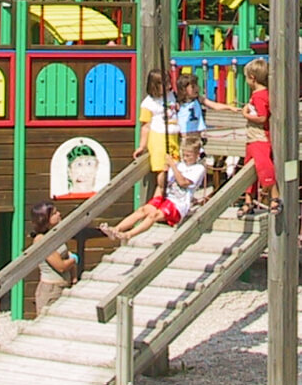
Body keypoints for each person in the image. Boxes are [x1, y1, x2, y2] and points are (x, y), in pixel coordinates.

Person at [204, 57, 281, 218]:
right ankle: (248, 200)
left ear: (252, 78)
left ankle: (274, 196)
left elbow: (262, 117)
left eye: (246, 77)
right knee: (247, 169)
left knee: (264, 166)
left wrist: (246, 115)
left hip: (259, 137)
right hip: (251, 138)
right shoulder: (258, 94)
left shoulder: (260, 96)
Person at [101, 134, 206, 244]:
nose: (185, 158)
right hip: (167, 198)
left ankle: (128, 235)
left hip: (178, 205)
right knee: (143, 210)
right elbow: (161, 184)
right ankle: (116, 229)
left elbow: (183, 182)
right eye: (184, 155)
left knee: (153, 215)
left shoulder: (198, 169)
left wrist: (173, 166)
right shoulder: (179, 165)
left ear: (197, 155)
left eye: (188, 156)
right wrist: (164, 171)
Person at [29, 200, 79, 314]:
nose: (59, 214)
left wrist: (73, 276)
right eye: (54, 213)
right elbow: (60, 266)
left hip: (64, 285)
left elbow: (65, 255)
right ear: (45, 219)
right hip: (51, 290)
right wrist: (74, 259)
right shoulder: (41, 239)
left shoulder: (56, 235)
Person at [134, 68, 180, 173]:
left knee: (175, 166)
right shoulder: (148, 104)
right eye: (165, 83)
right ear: (155, 85)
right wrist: (142, 146)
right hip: (159, 137)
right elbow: (146, 126)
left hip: (173, 136)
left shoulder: (172, 95)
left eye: (169, 82)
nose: (169, 85)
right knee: (162, 168)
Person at [175, 72, 206, 137]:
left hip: (197, 132)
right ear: (184, 89)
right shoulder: (179, 102)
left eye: (197, 85)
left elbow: (214, 105)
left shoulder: (198, 99)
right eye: (193, 87)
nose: (196, 88)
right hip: (184, 133)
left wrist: (228, 107)